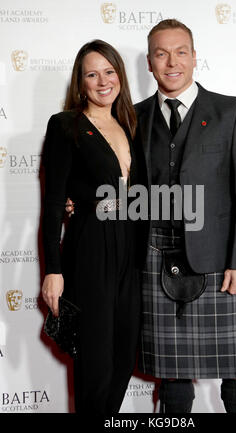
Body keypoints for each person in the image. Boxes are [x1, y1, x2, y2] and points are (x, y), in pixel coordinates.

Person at [134, 19, 236, 413]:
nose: (171, 62)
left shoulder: (232, 111)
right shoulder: (134, 116)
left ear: (195, 58)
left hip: (217, 264)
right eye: (161, 53)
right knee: (173, 382)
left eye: (180, 52)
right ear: (149, 62)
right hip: (155, 260)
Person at [41, 39, 140, 413]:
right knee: (95, 364)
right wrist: (54, 270)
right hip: (91, 247)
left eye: (109, 72)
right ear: (80, 82)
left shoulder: (132, 123)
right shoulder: (66, 124)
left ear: (120, 75)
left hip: (131, 248)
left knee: (122, 356)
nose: (103, 81)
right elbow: (53, 204)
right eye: (92, 74)